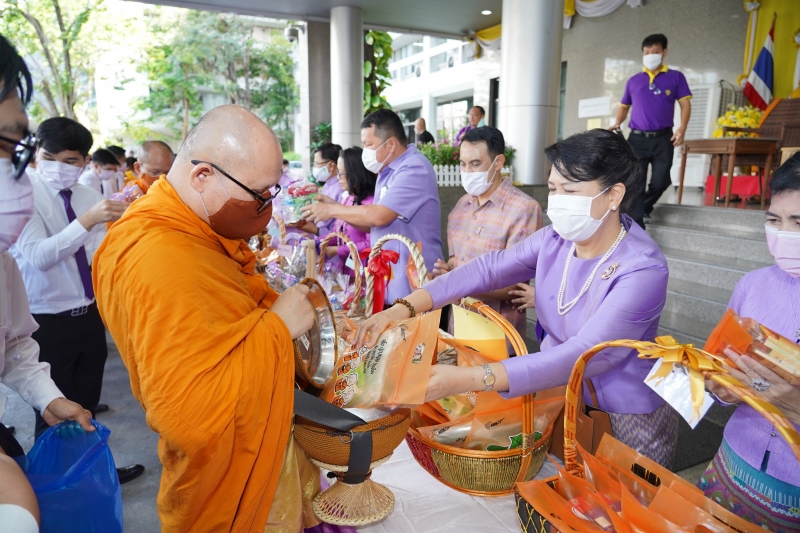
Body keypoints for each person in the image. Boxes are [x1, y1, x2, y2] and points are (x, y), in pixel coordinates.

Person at [356, 129, 680, 467]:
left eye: (570, 190)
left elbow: (587, 354)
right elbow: (485, 270)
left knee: (620, 507)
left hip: (622, 412)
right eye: (553, 189)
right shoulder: (557, 241)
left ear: (613, 195)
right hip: (558, 395)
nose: (558, 201)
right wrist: (404, 308)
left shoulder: (642, 268)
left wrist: (467, 379)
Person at [93, 105, 317, 532]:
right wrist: (278, 327)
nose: (266, 207)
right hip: (220, 482)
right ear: (202, 176)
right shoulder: (156, 256)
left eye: (273, 192)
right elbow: (191, 419)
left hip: (257, 450)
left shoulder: (196, 229)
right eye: (259, 194)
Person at [8, 117, 144, 484]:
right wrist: (85, 222)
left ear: (85, 161)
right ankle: (54, 487)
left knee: (86, 404)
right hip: (45, 321)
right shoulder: (23, 195)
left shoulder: (89, 196)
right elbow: (38, 255)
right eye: (50, 157)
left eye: (71, 161)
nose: (59, 167)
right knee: (50, 411)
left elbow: (102, 253)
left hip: (88, 316)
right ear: (38, 153)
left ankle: (94, 476)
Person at [0, 34, 99, 533]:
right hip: (55, 319)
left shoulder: (1, 261)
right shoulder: (34, 203)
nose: (8, 170)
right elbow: (40, 254)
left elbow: (14, 345)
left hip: (85, 315)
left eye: (8, 146)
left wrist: (45, 394)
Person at [698, 152, 800, 533]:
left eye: (798, 222)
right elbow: (722, 372)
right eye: (775, 220)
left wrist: (792, 404)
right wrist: (724, 386)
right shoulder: (753, 285)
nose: (784, 234)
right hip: (735, 461)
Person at [302, 109, 444, 307]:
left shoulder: (414, 167)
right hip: (389, 279)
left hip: (413, 282)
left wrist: (332, 211)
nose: (365, 152)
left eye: (368, 145)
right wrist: (335, 206)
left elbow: (380, 216)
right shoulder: (386, 172)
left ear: (391, 144)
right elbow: (373, 225)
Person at [432, 126, 542, 350]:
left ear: (498, 162)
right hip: (458, 328)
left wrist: (456, 279)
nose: (467, 171)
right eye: (463, 164)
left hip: (497, 334)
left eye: (475, 164)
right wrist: (447, 269)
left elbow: (515, 286)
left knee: (493, 385)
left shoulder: (523, 208)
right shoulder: (461, 206)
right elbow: (456, 261)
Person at [609, 33, 692, 226]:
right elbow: (624, 106)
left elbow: (685, 105)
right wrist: (617, 122)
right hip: (637, 140)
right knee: (636, 182)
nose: (650, 55)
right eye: (646, 52)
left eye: (654, 52)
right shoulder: (634, 81)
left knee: (662, 180)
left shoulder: (676, 77)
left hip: (664, 138)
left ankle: (645, 206)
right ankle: (637, 225)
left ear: (664, 52)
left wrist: (682, 129)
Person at [322, 147, 377, 275]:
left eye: (341, 173)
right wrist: (319, 242)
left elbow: (371, 243)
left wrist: (338, 250)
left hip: (365, 271)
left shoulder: (372, 204)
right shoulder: (350, 198)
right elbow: (338, 233)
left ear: (355, 173)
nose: (338, 178)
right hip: (347, 268)